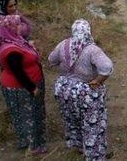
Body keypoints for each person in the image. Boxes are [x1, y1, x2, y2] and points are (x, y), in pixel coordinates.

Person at [49, 19, 113, 160]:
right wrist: (97, 81)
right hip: (85, 92)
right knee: (92, 124)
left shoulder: (63, 44)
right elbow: (107, 67)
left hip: (64, 90)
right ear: (88, 31)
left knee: (72, 118)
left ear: (73, 31)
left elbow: (51, 60)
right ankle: (94, 155)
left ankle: (77, 146)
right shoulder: (92, 49)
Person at [0, 13, 46, 154]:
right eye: (18, 25)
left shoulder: (13, 40)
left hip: (23, 85)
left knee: (25, 114)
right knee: (28, 116)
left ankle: (27, 142)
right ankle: (33, 148)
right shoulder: (11, 51)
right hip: (21, 88)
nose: (21, 27)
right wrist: (32, 88)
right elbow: (18, 72)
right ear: (10, 28)